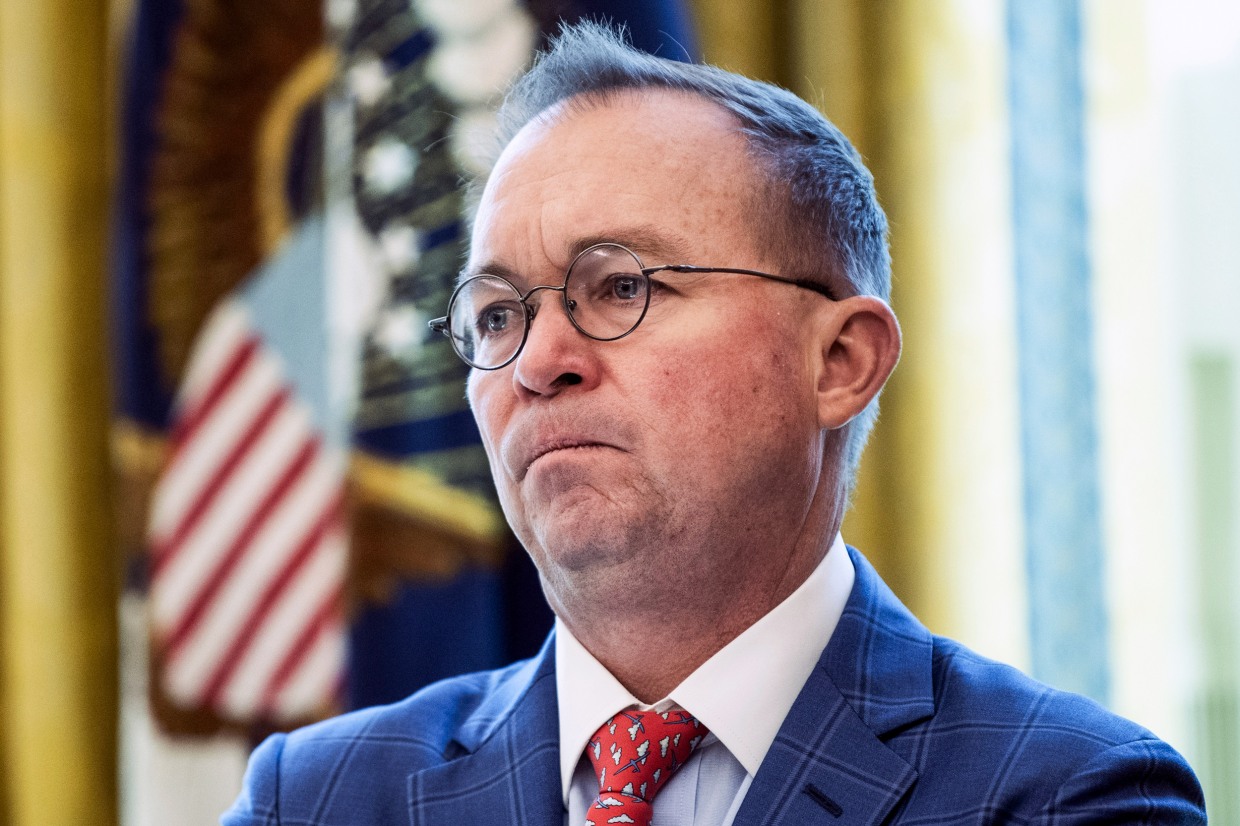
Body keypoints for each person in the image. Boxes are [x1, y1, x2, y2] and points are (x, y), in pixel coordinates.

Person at [223, 22, 1205, 825]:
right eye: (496, 314)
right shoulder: (314, 800)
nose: (535, 361)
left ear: (839, 362)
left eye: (618, 286)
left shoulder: (1068, 796)